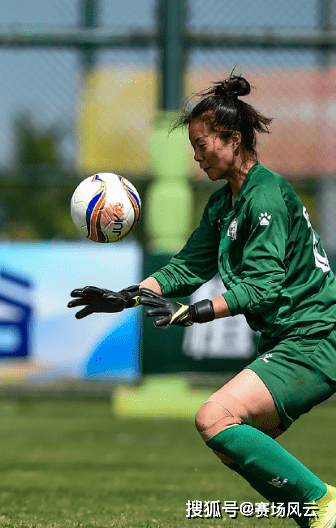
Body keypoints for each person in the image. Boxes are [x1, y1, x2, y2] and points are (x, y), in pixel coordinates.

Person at [68, 74, 336, 528]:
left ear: (233, 139)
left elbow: (264, 285)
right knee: (238, 443)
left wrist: (196, 312)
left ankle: (321, 505)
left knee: (215, 417)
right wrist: (130, 296)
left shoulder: (265, 194)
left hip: (314, 339)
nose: (196, 156)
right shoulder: (223, 204)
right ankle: (313, 511)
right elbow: (187, 267)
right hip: (293, 341)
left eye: (201, 143)